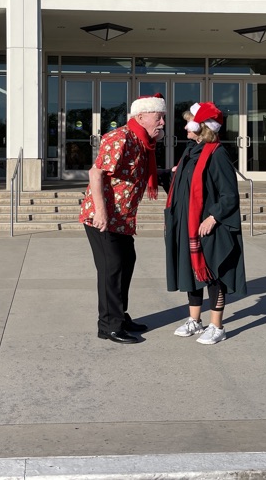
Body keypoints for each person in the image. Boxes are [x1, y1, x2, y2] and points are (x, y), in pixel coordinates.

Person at [79, 93, 166, 344]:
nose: (162, 122)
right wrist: (101, 211)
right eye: (158, 117)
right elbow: (96, 173)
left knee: (126, 263)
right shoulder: (121, 137)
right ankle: (109, 325)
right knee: (111, 269)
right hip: (104, 217)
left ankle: (119, 315)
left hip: (123, 218)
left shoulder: (142, 141)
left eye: (162, 117)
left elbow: (134, 172)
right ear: (140, 116)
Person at [164, 102, 247, 345]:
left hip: (209, 225)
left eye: (190, 123)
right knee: (192, 273)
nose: (185, 127)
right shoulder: (191, 151)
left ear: (202, 127)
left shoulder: (217, 153)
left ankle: (217, 325)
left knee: (213, 274)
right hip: (187, 223)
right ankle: (195, 320)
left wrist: (213, 217)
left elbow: (229, 194)